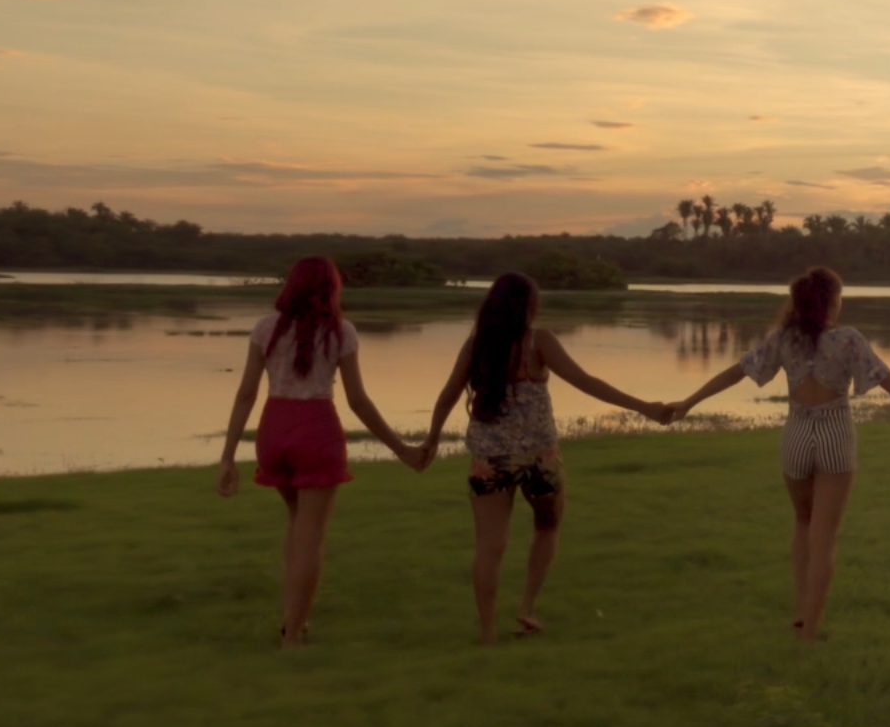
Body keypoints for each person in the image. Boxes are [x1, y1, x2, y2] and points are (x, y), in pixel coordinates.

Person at [672, 266, 890, 642]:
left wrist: (688, 402)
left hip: (796, 434)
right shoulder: (847, 339)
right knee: (824, 537)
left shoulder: (784, 338)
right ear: (832, 302)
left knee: (803, 523)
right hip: (834, 434)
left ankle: (802, 612)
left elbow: (736, 372)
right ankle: (810, 631)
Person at [417, 272, 674, 644]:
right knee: (547, 528)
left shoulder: (477, 345)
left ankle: (488, 631)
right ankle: (526, 607)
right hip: (541, 458)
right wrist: (644, 407)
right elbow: (586, 382)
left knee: (489, 546)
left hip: (490, 460)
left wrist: (431, 441)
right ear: (530, 306)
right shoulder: (539, 341)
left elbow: (447, 396)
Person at [214, 255, 421, 649]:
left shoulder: (264, 328)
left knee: (297, 524)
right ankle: (293, 633)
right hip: (317, 430)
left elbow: (246, 394)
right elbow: (358, 401)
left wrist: (227, 457)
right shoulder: (341, 331)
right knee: (310, 534)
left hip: (274, 428)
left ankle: (292, 619)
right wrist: (401, 450)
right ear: (331, 290)